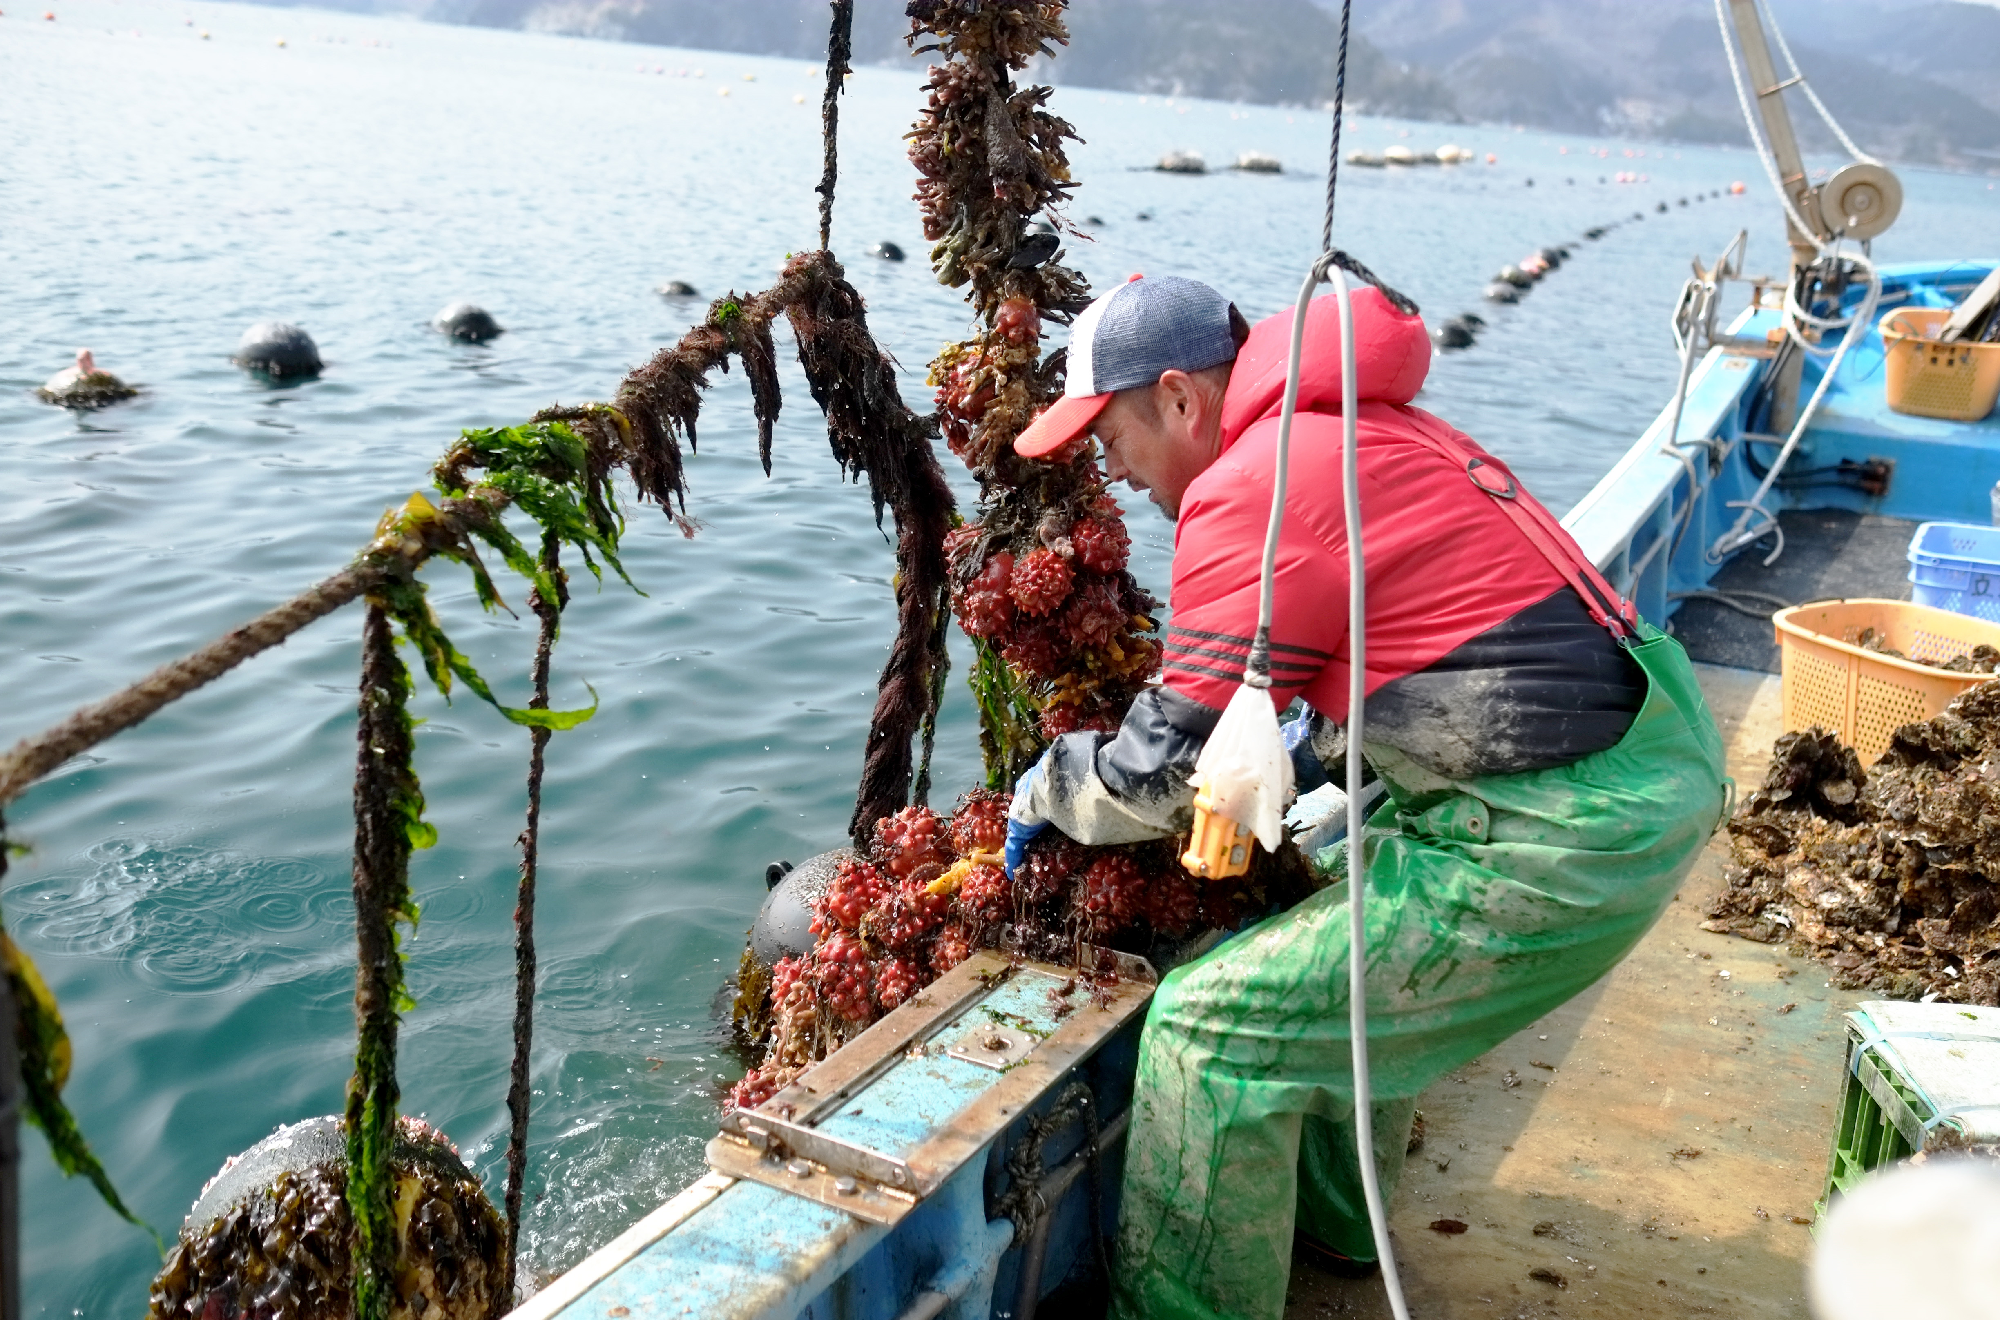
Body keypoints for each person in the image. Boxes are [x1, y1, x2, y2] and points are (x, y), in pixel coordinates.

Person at [1003, 274, 1730, 1320]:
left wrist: (1051, 785)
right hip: (1640, 763)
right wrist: (1296, 763)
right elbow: (1400, 668)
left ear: (1176, 398)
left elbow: (1162, 775)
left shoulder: (1250, 485)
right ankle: (1349, 1228)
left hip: (1561, 832)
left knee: (1209, 1033)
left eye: (1108, 437)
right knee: (1333, 896)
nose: (1108, 471)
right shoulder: (1359, 431)